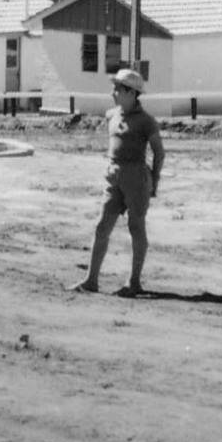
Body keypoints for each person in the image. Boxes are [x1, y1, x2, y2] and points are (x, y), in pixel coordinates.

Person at [73, 67, 165, 298]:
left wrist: (154, 180)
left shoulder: (146, 121)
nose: (113, 93)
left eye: (117, 89)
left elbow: (159, 152)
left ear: (132, 93)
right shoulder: (111, 115)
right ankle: (91, 280)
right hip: (113, 175)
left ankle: (133, 282)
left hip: (136, 178)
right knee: (102, 225)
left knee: (136, 227)